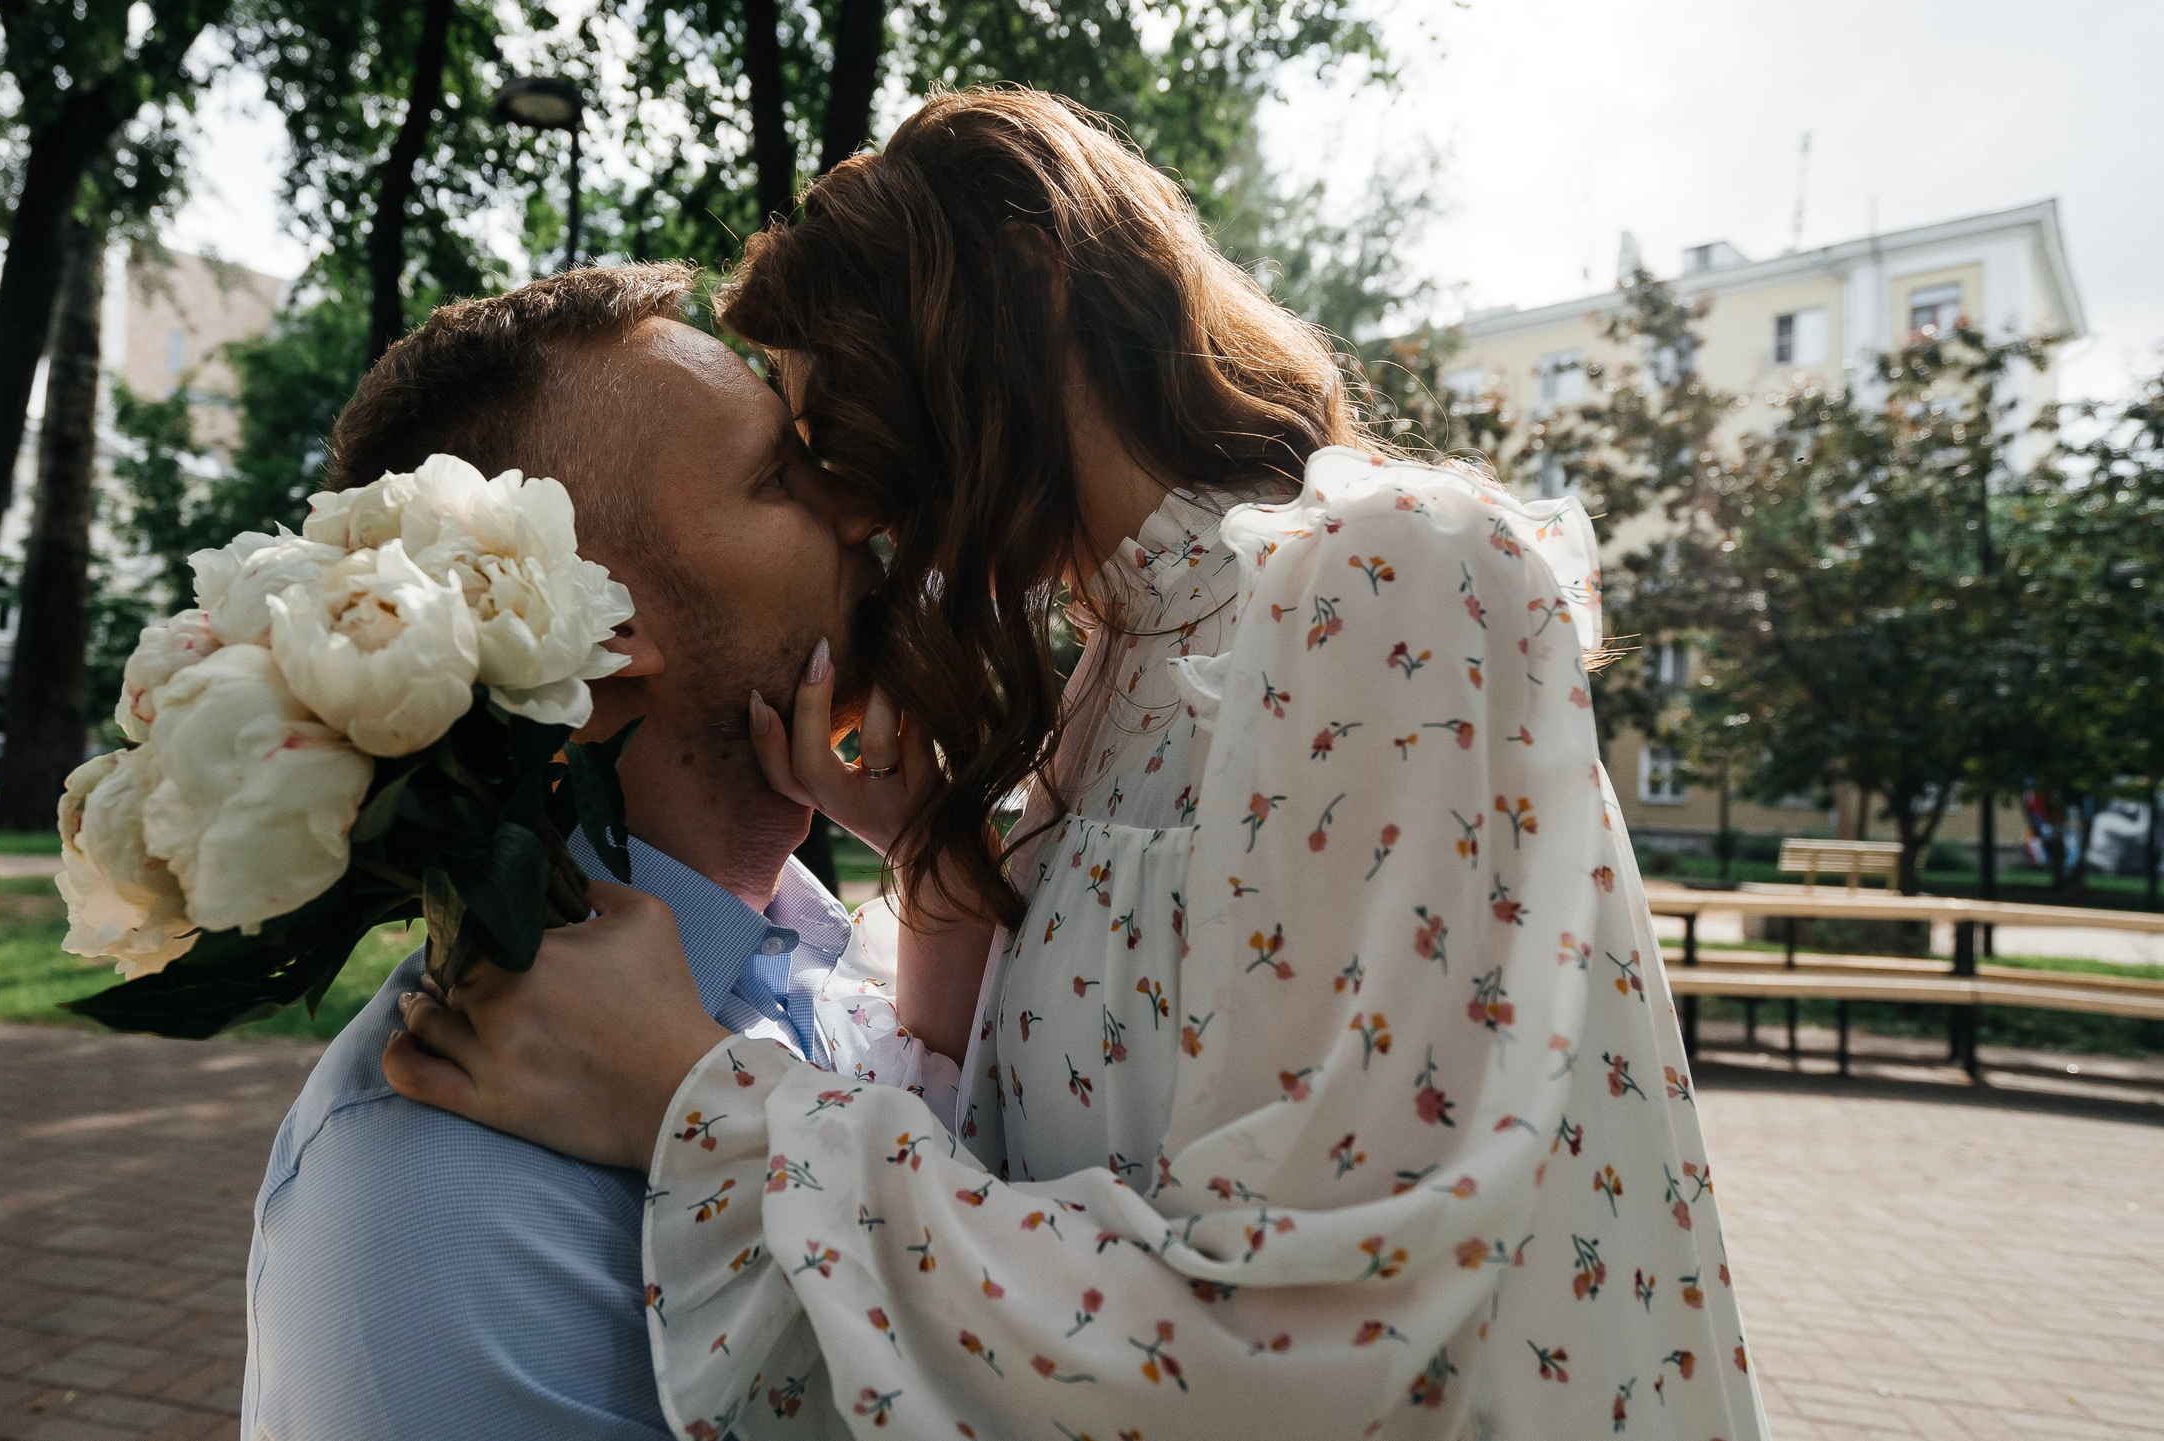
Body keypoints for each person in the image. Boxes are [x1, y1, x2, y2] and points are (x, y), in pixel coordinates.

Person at [390, 90, 1767, 1439]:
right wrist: (933, 846)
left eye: (834, 421)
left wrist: (703, 1104)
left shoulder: (1387, 571)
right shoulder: (1107, 680)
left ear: (1020, 287)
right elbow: (1024, 1162)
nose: (848, 511)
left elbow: (1304, 1327)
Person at [240, 262, 942, 1437]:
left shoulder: (866, 964)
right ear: (598, 628)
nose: (862, 510)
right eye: (780, 476)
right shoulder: (440, 1194)